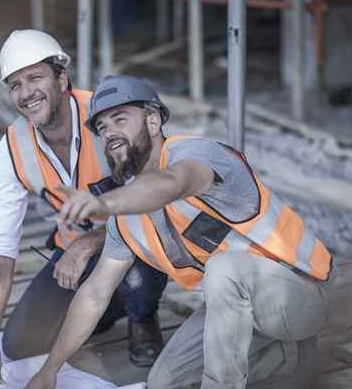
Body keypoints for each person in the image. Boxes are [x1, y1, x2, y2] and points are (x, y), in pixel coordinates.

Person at [24, 75, 335, 389]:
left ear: (154, 121)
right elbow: (94, 295)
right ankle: (282, 355)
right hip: (240, 309)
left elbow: (171, 184)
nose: (110, 133)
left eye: (120, 119)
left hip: (302, 292)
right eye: (102, 127)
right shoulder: (127, 215)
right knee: (163, 383)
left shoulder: (198, 155)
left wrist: (102, 203)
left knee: (223, 268)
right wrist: (49, 371)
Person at [0, 33, 168, 389]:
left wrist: (87, 244)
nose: (25, 92)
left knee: (137, 275)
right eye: (15, 84)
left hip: (136, 243)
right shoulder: (12, 148)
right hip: (71, 250)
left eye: (35, 78)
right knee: (18, 345)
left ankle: (142, 315)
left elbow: (156, 198)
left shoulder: (110, 118)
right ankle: (102, 306)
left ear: (62, 78)